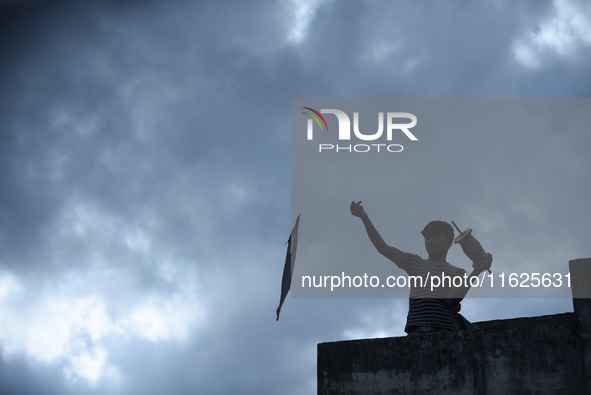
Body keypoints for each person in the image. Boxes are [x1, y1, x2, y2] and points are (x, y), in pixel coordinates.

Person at [350, 200, 492, 335]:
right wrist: (364, 218)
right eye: (427, 237)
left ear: (449, 242)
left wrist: (476, 271)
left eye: (436, 237)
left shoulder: (458, 273)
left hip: (447, 332)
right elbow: (383, 248)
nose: (431, 241)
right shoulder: (415, 262)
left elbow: (450, 300)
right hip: (416, 332)